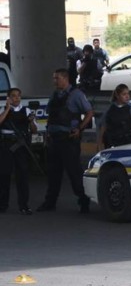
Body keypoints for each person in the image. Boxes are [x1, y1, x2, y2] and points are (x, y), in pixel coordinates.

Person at [37, 68, 94, 213]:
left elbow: (89, 112)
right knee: (53, 173)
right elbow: (51, 115)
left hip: (68, 140)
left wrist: (79, 129)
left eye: (57, 78)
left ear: (65, 78)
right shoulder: (55, 95)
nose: (54, 81)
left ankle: (84, 202)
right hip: (54, 139)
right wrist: (47, 133)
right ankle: (50, 202)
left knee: (74, 173)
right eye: (54, 78)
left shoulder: (76, 95)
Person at [0, 88, 37, 215]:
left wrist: (31, 121)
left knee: (22, 176)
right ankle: (3, 204)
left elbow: (34, 130)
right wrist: (7, 109)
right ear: (8, 98)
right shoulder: (4, 110)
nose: (16, 98)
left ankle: (24, 205)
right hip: (6, 145)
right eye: (13, 96)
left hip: (20, 145)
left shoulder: (26, 111)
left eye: (18, 96)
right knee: (4, 175)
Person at [97, 84, 131, 150]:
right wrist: (100, 146)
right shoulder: (110, 109)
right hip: (114, 143)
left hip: (130, 142)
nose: (127, 96)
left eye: (128, 94)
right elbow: (103, 128)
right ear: (117, 96)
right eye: (124, 94)